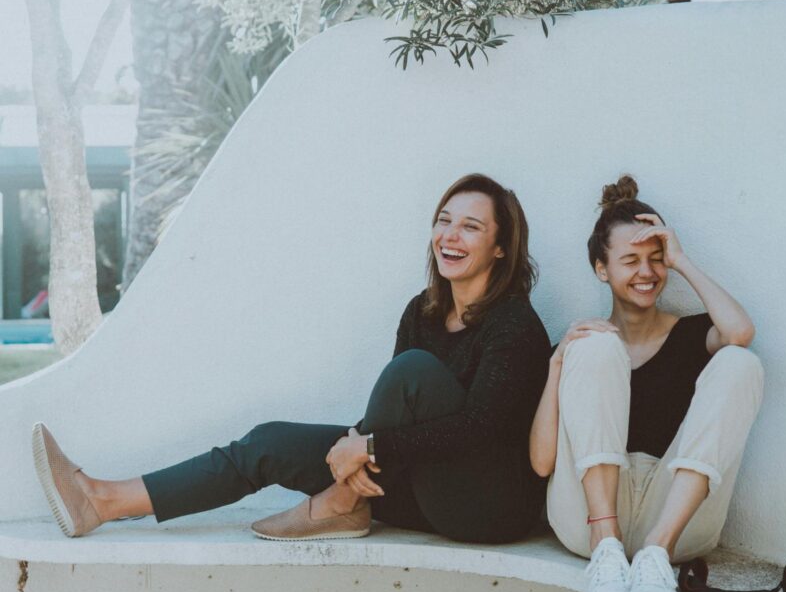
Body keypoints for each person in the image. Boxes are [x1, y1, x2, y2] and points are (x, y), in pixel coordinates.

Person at [33, 173, 551, 545]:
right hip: (421, 486)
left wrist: (367, 444)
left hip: (486, 509)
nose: (450, 236)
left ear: (501, 248)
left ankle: (342, 504)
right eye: (444, 220)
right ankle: (102, 500)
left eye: (471, 227)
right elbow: (396, 416)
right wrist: (357, 445)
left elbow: (481, 428)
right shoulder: (424, 310)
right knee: (267, 442)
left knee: (410, 371)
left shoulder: (514, 324)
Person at [529, 175, 765, 592]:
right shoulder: (582, 347)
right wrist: (557, 363)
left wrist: (682, 261)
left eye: (656, 260)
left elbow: (741, 331)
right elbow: (542, 462)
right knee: (594, 344)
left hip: (675, 519)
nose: (646, 272)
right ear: (602, 269)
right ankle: (607, 545)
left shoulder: (692, 334)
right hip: (587, 518)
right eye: (630, 260)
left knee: (740, 361)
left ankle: (655, 552)